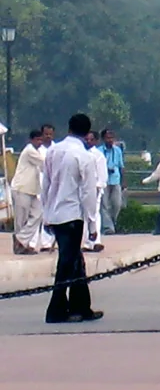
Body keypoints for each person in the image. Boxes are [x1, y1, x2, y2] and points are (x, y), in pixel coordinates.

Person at [39, 113, 102, 324]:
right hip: (72, 215)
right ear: (87, 133)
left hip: (55, 214)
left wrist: (46, 214)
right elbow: (88, 193)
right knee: (67, 262)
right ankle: (56, 309)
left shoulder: (53, 151)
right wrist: (93, 224)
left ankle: (81, 307)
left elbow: (45, 185)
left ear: (68, 128)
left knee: (75, 260)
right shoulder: (83, 156)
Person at [11, 129, 48, 253]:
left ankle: (21, 239)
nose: (40, 142)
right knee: (21, 219)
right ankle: (21, 245)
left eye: (41, 140)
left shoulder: (36, 151)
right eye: (37, 140)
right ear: (31, 140)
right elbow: (44, 163)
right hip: (21, 188)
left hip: (32, 190)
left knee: (39, 213)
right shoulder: (29, 151)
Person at [82, 130, 108, 250]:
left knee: (94, 215)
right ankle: (87, 242)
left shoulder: (98, 155)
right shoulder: (81, 153)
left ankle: (95, 241)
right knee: (85, 216)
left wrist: (98, 187)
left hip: (94, 189)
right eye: (86, 139)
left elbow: (102, 174)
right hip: (82, 189)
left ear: (96, 141)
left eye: (91, 139)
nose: (88, 141)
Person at [98, 128, 126, 233]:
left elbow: (121, 166)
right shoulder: (99, 151)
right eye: (108, 138)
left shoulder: (117, 150)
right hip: (103, 181)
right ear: (103, 139)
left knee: (117, 204)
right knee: (104, 205)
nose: (110, 140)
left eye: (111, 138)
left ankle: (113, 221)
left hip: (115, 179)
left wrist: (124, 181)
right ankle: (108, 228)